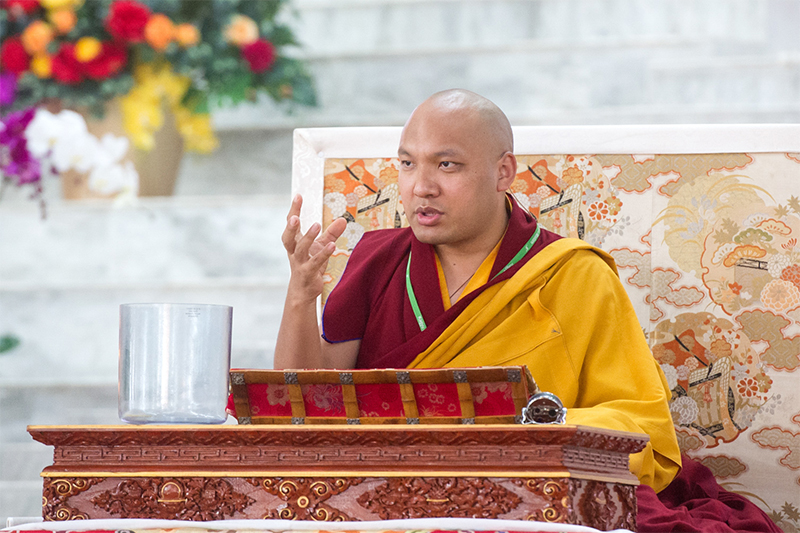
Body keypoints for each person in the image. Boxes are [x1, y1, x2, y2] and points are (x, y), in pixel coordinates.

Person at [273, 90, 782, 532]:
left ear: (503, 172)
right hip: (386, 488)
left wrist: (515, 434)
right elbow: (299, 408)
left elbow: (638, 422)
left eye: (446, 165)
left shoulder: (572, 274)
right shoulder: (379, 261)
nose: (420, 186)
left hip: (526, 489)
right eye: (407, 164)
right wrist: (300, 294)